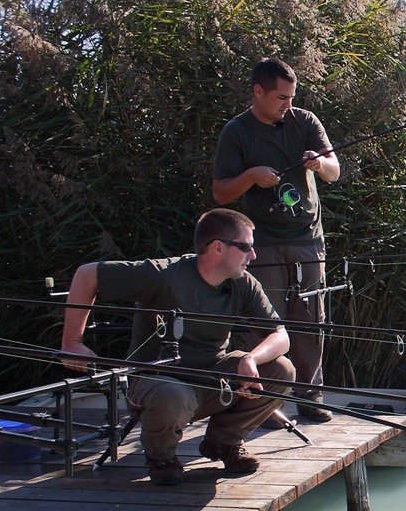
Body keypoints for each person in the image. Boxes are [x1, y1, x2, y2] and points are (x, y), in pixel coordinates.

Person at [61, 209, 295, 486]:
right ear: (218, 247)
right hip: (156, 382)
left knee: (281, 369)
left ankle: (223, 443)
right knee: (175, 395)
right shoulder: (163, 274)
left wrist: (252, 360)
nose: (253, 255)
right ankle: (161, 458)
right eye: (245, 247)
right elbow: (87, 274)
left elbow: (280, 335)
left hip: (210, 379)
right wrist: (72, 344)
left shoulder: (244, 283)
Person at [211, 57, 339, 423]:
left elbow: (334, 170)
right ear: (258, 92)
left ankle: (311, 397)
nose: (289, 104)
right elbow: (221, 193)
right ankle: (266, 403)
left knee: (311, 318)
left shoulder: (306, 121)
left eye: (292, 97)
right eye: (281, 97)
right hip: (260, 243)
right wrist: (251, 176)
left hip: (307, 239)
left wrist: (318, 163)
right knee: (267, 321)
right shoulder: (237, 132)